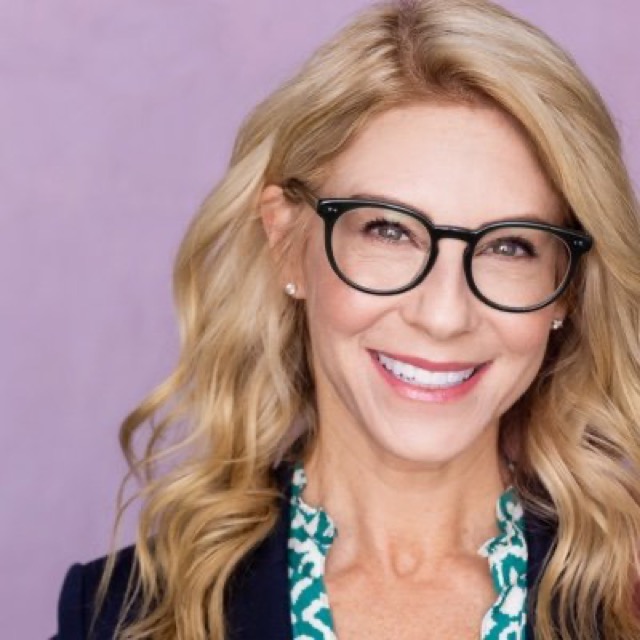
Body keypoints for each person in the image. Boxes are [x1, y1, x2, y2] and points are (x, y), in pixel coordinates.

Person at [55, 0, 640, 638]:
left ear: (566, 286)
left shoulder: (627, 596)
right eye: (389, 231)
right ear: (287, 243)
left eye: (510, 246)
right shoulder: (118, 615)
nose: (444, 315)